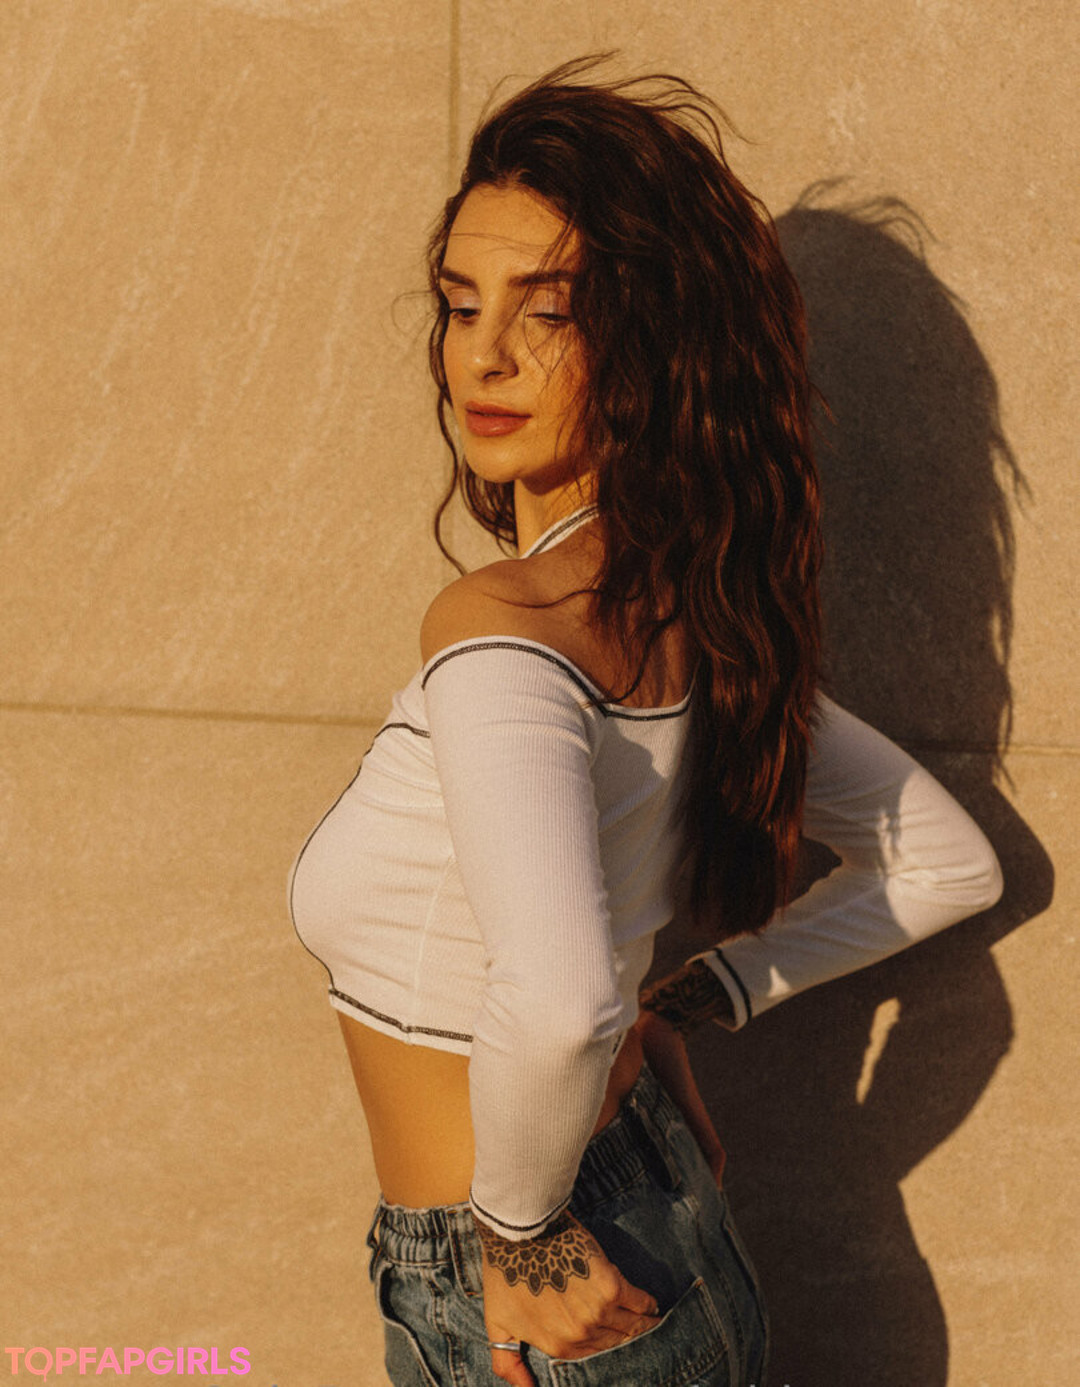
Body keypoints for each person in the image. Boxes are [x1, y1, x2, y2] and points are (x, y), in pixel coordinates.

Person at [288, 58, 1003, 1387]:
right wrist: (694, 993)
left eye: (549, 311)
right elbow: (948, 863)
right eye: (460, 303)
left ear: (654, 343)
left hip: (549, 1294)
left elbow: (563, 1004)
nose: (483, 354)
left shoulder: (504, 629)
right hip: (646, 1231)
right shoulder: (705, 621)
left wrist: (515, 1235)